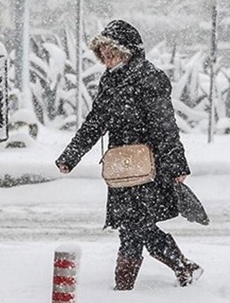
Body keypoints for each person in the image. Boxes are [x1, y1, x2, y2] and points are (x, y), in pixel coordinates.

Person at [55, 20, 203, 290]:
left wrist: (176, 165)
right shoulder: (110, 80)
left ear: (128, 51)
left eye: (112, 51)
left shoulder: (149, 78)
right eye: (103, 52)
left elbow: (165, 126)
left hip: (149, 166)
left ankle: (125, 287)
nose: (107, 57)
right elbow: (95, 122)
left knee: (135, 225)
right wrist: (70, 156)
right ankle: (182, 267)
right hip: (122, 167)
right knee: (134, 225)